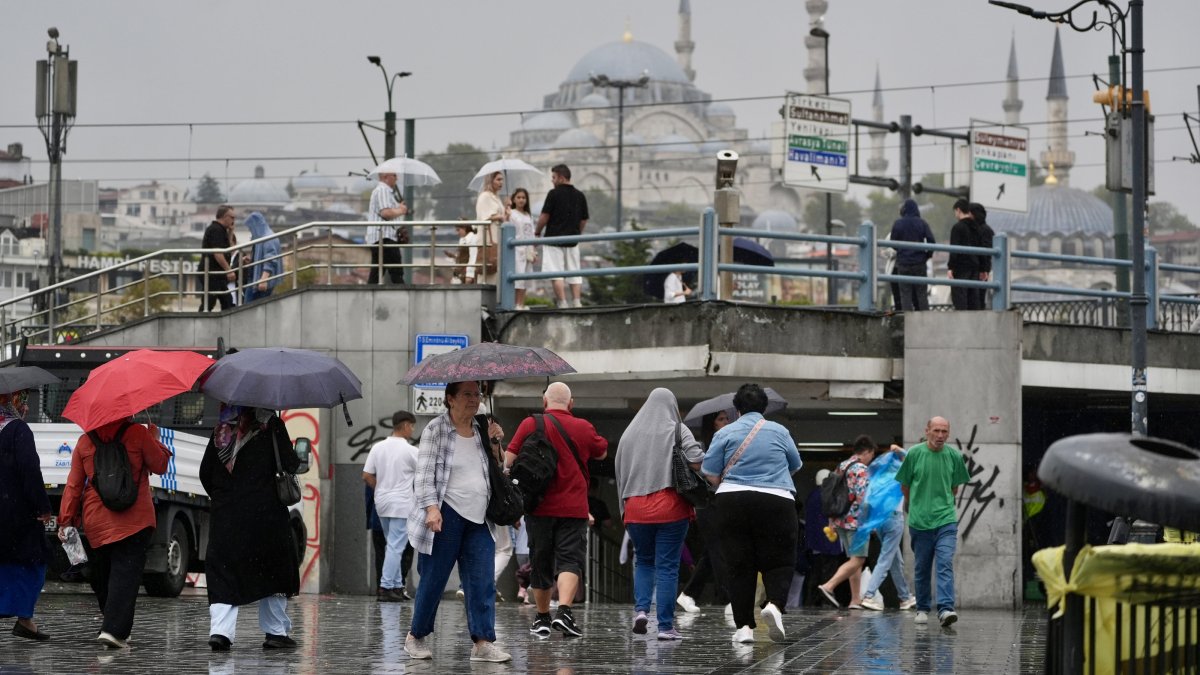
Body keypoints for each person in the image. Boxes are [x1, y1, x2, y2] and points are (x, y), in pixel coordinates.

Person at [404, 381, 510, 663]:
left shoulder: (481, 428)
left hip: (480, 516)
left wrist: (496, 442)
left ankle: (483, 642)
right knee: (434, 579)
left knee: (482, 581)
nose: (474, 399)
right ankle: (416, 637)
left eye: (476, 394)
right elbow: (424, 475)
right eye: (466, 394)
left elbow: (499, 470)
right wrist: (430, 508)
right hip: (445, 513)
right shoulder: (436, 430)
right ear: (450, 399)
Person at [58, 416, 172, 649]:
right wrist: (155, 439)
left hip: (97, 520)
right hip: (135, 519)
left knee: (103, 573)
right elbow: (160, 466)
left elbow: (74, 485)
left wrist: (66, 520)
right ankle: (113, 630)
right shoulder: (138, 434)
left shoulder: (84, 442)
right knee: (125, 574)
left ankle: (111, 623)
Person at [505, 381, 608, 638]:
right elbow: (602, 452)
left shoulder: (530, 424)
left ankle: (541, 618)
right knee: (569, 560)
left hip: (538, 507)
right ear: (571, 404)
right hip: (573, 509)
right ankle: (563, 612)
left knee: (540, 561)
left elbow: (509, 460)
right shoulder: (583, 427)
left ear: (544, 402)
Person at [701, 383, 801, 644]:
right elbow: (796, 464)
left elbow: (710, 473)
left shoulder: (725, 433)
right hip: (777, 500)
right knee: (780, 560)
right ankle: (775, 606)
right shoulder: (780, 431)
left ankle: (744, 627)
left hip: (732, 500)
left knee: (739, 565)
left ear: (736, 408)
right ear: (765, 407)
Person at [200, 405, 301, 651]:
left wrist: (225, 496)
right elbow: (290, 463)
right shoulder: (272, 425)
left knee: (224, 571)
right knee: (273, 570)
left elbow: (205, 473)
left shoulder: (222, 429)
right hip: (265, 514)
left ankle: (221, 632)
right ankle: (276, 632)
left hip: (227, 516)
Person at [615, 388, 704, 640]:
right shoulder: (677, 429)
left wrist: (624, 510)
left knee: (643, 561)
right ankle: (665, 626)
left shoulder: (628, 434)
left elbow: (620, 474)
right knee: (667, 566)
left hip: (635, 509)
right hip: (670, 507)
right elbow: (697, 461)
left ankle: (641, 611)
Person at [895, 416, 970, 627]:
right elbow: (905, 486)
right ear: (927, 430)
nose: (940, 436)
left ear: (949, 433)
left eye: (944, 431)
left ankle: (946, 609)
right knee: (922, 567)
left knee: (945, 562)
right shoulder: (914, 454)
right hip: (919, 522)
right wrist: (919, 506)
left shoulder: (954, 457)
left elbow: (954, 488)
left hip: (946, 520)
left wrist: (941, 505)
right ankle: (922, 608)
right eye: (936, 431)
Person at [0, 389, 52, 641]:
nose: (26, 407)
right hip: (17, 513)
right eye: (21, 401)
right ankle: (23, 617)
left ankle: (23, 617)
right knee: (34, 563)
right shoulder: (19, 431)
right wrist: (42, 506)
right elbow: (29, 471)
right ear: (10, 402)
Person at [677, 410, 733, 613]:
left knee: (711, 552)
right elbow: (704, 473)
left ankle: (688, 594)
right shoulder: (702, 447)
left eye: (727, 418)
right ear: (712, 424)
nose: (726, 422)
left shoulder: (729, 444)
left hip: (722, 502)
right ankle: (729, 598)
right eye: (721, 419)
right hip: (706, 503)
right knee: (718, 549)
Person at [816, 435, 878, 609]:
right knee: (858, 559)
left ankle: (855, 599)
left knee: (853, 560)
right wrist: (870, 522)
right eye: (871, 455)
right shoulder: (861, 469)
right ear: (867, 452)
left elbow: (831, 495)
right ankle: (829, 586)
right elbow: (863, 498)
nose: (871, 459)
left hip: (840, 520)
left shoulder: (841, 466)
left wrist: (831, 521)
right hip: (856, 522)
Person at [363, 410, 418, 602]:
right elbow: (424, 473)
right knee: (396, 546)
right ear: (405, 426)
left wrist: (381, 489)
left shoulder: (378, 447)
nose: (412, 430)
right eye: (412, 426)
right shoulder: (411, 451)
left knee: (391, 545)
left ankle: (395, 585)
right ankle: (386, 587)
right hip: (402, 503)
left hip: (382, 503)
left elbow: (367, 475)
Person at [859, 444, 917, 612]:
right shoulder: (899, 475)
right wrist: (900, 451)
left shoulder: (877, 478)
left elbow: (867, 503)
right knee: (885, 559)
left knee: (895, 560)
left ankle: (905, 597)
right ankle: (869, 595)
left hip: (880, 521)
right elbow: (912, 462)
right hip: (894, 519)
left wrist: (870, 523)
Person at [535, 164, 589, 308]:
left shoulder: (553, 194)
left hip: (553, 239)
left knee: (556, 272)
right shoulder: (580, 195)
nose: (552, 181)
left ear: (561, 177)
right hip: (573, 240)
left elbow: (544, 216)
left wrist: (537, 232)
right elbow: (584, 219)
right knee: (574, 271)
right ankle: (577, 302)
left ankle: (563, 302)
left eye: (554, 177)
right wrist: (578, 233)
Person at [803, 469, 847, 607]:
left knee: (815, 573)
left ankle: (811, 602)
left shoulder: (812, 495)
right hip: (828, 542)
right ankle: (824, 600)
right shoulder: (826, 495)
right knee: (827, 573)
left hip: (815, 543)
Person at [889, 199, 936, 311]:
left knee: (905, 294)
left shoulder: (898, 223)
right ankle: (924, 320)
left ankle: (907, 321)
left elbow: (892, 242)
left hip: (903, 263)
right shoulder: (922, 223)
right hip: (919, 263)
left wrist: (901, 251)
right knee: (921, 294)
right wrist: (926, 255)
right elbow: (931, 241)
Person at [367, 171, 409, 285]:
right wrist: (402, 210)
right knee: (396, 271)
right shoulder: (383, 190)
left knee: (376, 273)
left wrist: (398, 207)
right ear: (386, 177)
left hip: (380, 237)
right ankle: (404, 295)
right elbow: (386, 212)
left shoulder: (384, 191)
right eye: (394, 175)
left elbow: (388, 210)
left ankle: (367, 296)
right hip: (384, 237)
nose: (397, 178)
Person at [201, 205, 238, 311]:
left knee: (227, 302)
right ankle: (199, 322)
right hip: (212, 273)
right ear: (225, 216)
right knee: (208, 303)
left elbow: (230, 249)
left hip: (218, 273)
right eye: (232, 217)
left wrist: (230, 232)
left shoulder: (222, 230)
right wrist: (229, 270)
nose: (233, 221)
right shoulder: (215, 230)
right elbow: (218, 253)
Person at [948, 199, 983, 311]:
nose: (955, 215)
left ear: (958, 210)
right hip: (975, 267)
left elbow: (954, 250)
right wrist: (983, 268)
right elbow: (982, 249)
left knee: (960, 297)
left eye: (955, 212)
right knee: (973, 298)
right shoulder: (977, 227)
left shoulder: (957, 227)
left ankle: (961, 323)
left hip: (961, 267)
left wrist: (950, 267)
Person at [475, 171, 509, 285]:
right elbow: (486, 216)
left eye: (502, 180)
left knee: (496, 272)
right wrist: (501, 216)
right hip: (488, 240)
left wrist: (506, 209)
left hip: (496, 238)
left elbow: (501, 216)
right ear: (491, 180)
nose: (501, 183)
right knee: (487, 271)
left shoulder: (496, 197)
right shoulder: (485, 196)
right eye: (498, 180)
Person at [243, 211, 283, 303]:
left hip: (260, 281)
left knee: (247, 310)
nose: (250, 230)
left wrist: (264, 280)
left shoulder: (267, 238)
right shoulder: (263, 236)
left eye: (251, 227)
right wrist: (252, 261)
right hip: (258, 279)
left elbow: (271, 260)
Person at [509, 187, 539, 310]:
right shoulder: (511, 214)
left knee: (526, 277)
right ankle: (516, 303)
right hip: (517, 250)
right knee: (518, 277)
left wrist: (533, 252)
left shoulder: (528, 215)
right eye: (519, 197)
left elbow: (531, 233)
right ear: (514, 199)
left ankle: (521, 303)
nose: (521, 200)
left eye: (523, 198)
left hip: (528, 249)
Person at [970, 202, 995, 310]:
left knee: (978, 296)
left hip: (980, 269)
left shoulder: (984, 230)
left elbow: (985, 252)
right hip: (979, 268)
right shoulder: (983, 229)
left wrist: (983, 269)